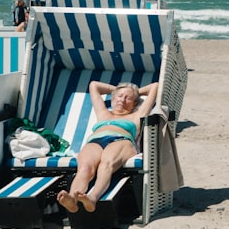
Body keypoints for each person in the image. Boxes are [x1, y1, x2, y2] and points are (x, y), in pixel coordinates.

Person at [56, 80, 158, 213]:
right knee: (85, 168)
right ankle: (72, 200)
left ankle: (93, 197)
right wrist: (118, 89)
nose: (122, 100)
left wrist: (134, 91)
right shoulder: (103, 113)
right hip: (95, 141)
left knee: (106, 164)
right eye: (119, 96)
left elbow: (154, 87)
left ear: (134, 104)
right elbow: (94, 85)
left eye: (128, 98)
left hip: (121, 140)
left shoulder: (136, 115)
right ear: (113, 99)